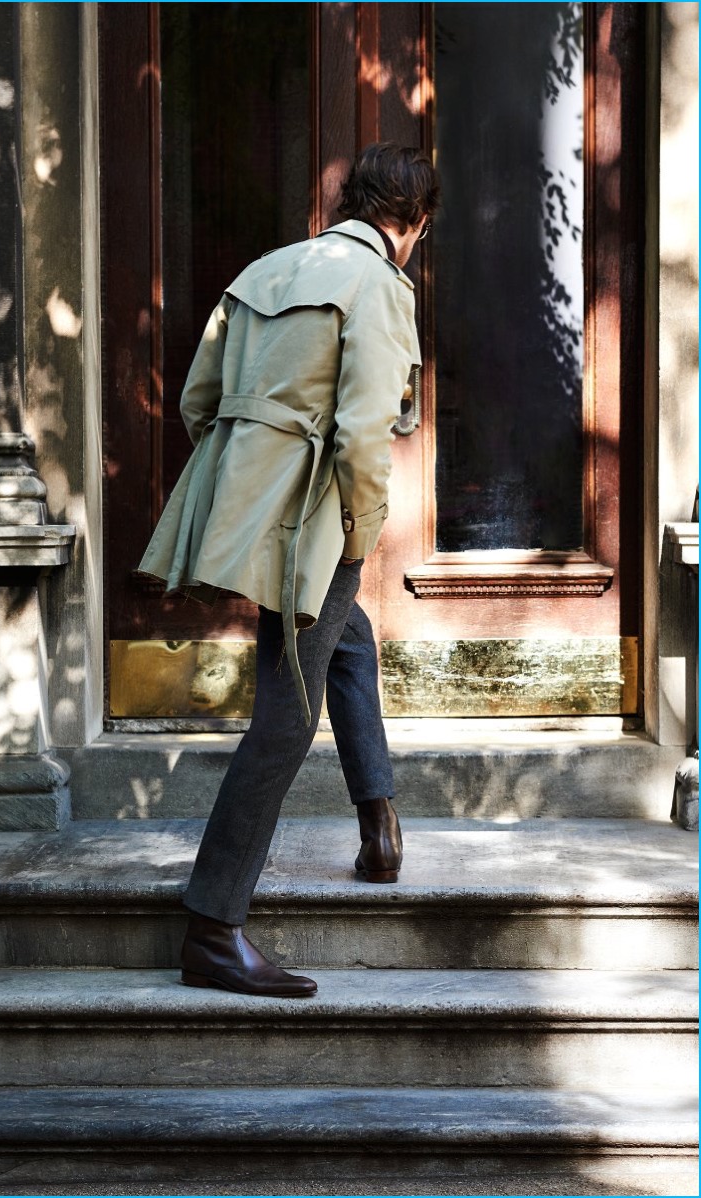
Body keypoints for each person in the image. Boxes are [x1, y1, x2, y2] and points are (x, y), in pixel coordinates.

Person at [139, 143, 439, 998]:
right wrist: (359, 531)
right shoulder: (382, 285)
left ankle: (378, 824)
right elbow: (362, 435)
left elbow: (200, 402)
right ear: (412, 222)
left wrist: (248, 492)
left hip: (245, 510)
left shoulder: (264, 269)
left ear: (350, 201)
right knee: (285, 717)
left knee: (347, 641)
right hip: (318, 517)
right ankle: (213, 926)